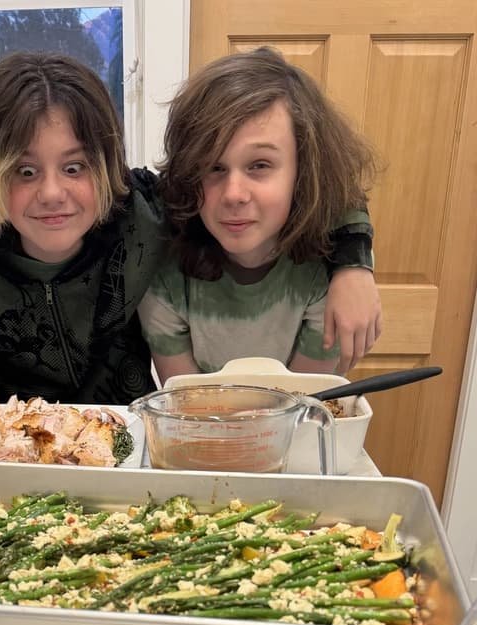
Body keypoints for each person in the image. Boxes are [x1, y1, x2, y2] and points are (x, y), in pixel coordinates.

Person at [0, 52, 380, 417]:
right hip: (9, 451)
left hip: (131, 442)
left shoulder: (143, 217)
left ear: (106, 165)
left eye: (74, 166)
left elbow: (323, 184)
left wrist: (354, 262)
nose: (52, 193)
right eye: (24, 170)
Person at [138, 47, 380, 383]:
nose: (234, 194)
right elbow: (186, 410)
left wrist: (356, 266)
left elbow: (300, 409)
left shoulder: (330, 271)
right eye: (213, 167)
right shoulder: (163, 275)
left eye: (259, 165)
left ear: (304, 171)